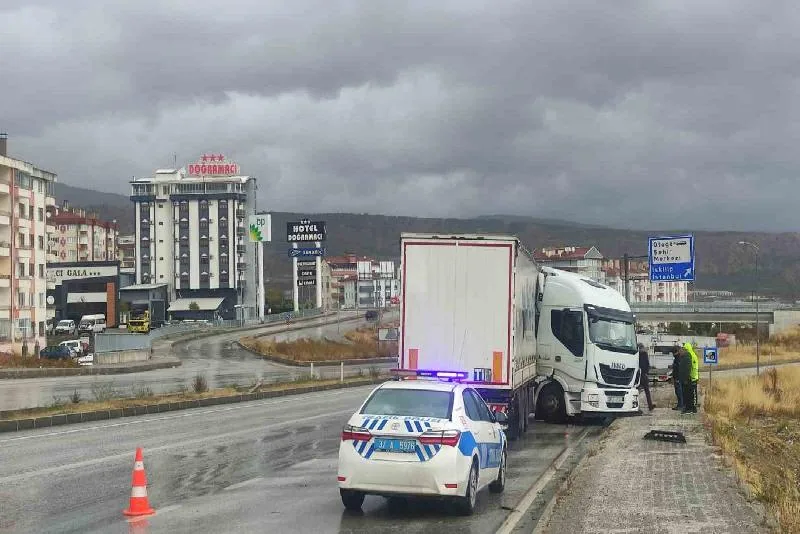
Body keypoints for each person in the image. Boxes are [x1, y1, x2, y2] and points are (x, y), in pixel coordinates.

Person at [637, 343, 655, 411]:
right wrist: (646, 372)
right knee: (647, 391)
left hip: (638, 374)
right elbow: (647, 364)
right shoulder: (644, 354)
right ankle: (650, 406)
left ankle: (636, 406)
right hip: (644, 375)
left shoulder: (637, 354)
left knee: (637, 391)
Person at [683, 342, 700, 413]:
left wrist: (689, 375)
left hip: (692, 377)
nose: (684, 351)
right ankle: (691, 408)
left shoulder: (691, 355)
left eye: (684, 349)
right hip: (692, 376)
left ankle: (693, 408)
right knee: (690, 393)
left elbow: (690, 367)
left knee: (692, 394)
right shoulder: (692, 354)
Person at [677, 346, 694, 414]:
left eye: (680, 351)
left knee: (687, 395)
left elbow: (687, 370)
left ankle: (689, 408)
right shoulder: (683, 358)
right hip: (683, 379)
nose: (679, 353)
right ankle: (687, 408)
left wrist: (686, 379)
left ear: (684, 351)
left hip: (686, 380)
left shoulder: (687, 358)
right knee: (684, 394)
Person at [670, 345, 684, 411]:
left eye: (673, 353)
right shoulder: (677, 358)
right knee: (677, 392)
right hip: (677, 378)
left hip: (678, 378)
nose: (672, 354)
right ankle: (679, 405)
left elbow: (679, 369)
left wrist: (678, 378)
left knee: (679, 392)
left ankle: (681, 405)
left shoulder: (678, 359)